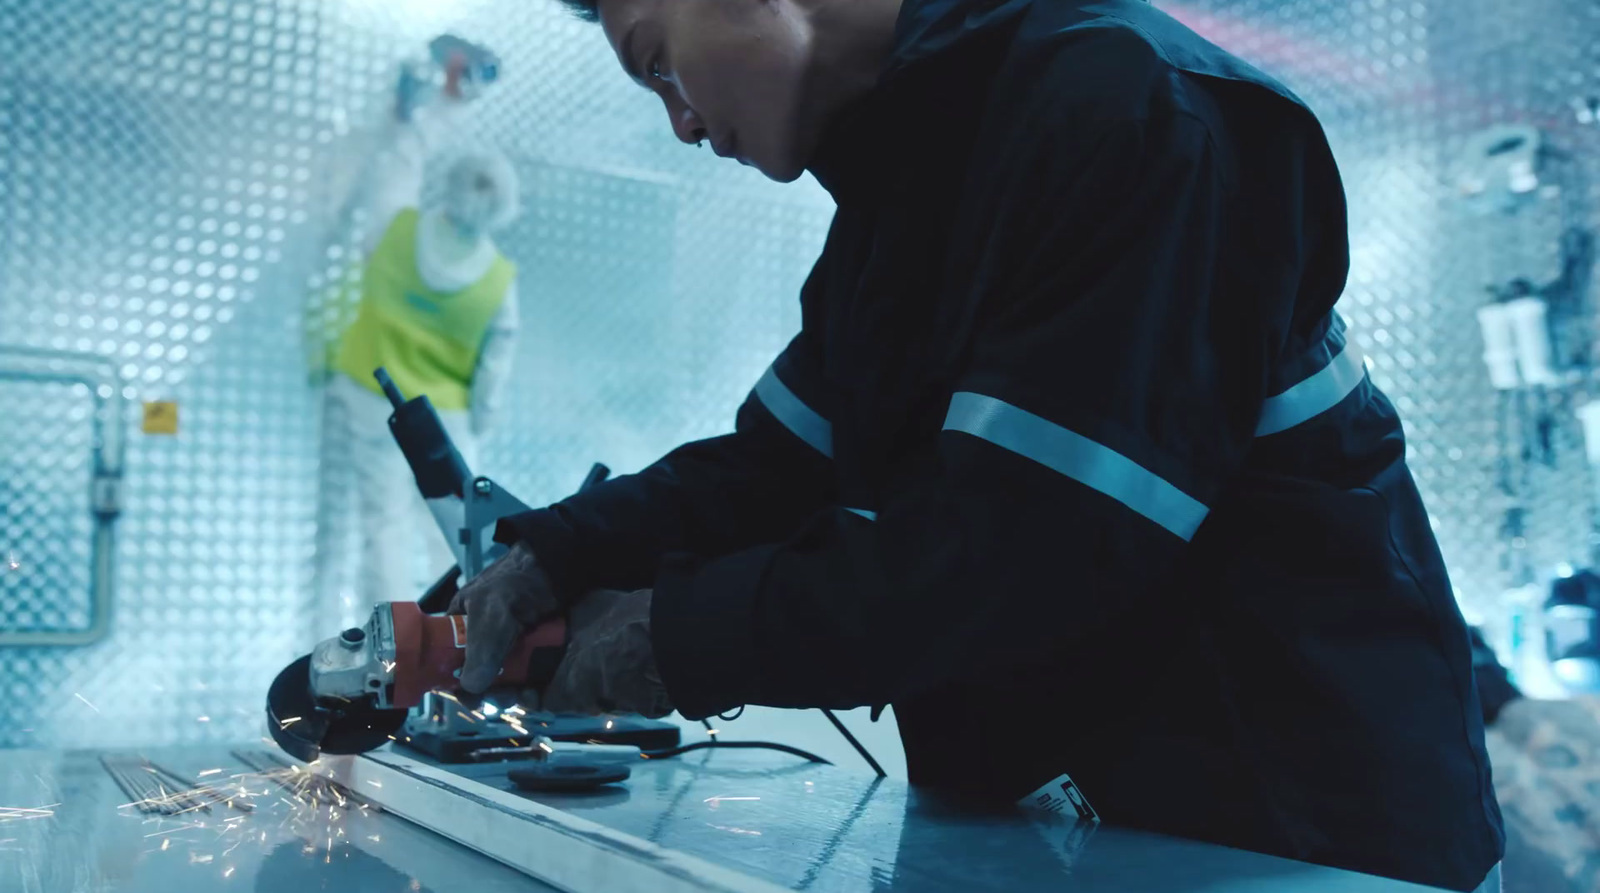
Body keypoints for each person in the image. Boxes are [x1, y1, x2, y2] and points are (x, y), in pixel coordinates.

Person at [447, 0, 1504, 889]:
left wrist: (668, 637)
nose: (677, 122)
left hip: (1302, 839)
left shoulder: (1134, 111)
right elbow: (775, 468)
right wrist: (554, 552)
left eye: (658, 61)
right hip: (1106, 827)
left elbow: (1027, 552)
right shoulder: (903, 204)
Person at [312, 57, 521, 633]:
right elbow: (493, 371)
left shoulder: (395, 230)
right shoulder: (498, 279)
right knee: (458, 535)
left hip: (370, 396)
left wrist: (429, 109)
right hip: (448, 417)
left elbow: (397, 164)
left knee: (382, 526)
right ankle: (463, 637)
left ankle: (395, 644)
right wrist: (481, 423)